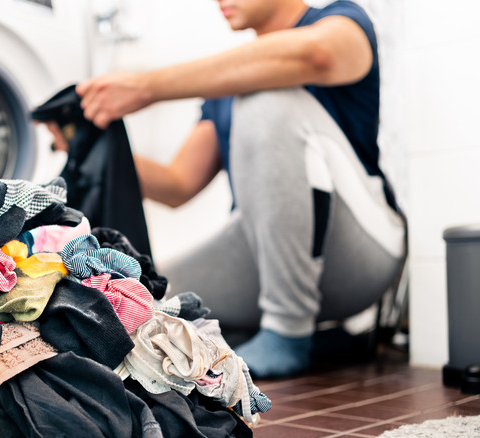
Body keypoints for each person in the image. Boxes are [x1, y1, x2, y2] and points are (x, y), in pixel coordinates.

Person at [47, 0, 406, 378]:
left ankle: (287, 330)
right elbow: (178, 184)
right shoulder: (225, 89)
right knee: (148, 303)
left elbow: (315, 55)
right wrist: (83, 146)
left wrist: (146, 87)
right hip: (268, 254)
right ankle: (312, 340)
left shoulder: (341, 21)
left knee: (264, 93)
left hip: (362, 252)